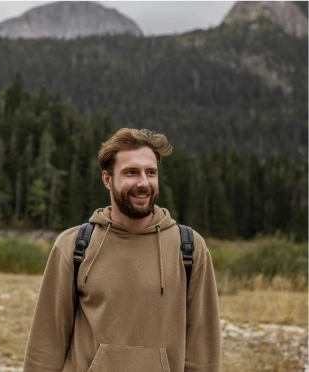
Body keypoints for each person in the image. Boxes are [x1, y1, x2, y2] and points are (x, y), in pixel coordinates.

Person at [23, 128, 222, 372]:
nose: (143, 183)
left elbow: (203, 349)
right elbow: (47, 342)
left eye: (151, 173)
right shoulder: (74, 246)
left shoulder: (189, 248)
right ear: (107, 179)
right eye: (131, 173)